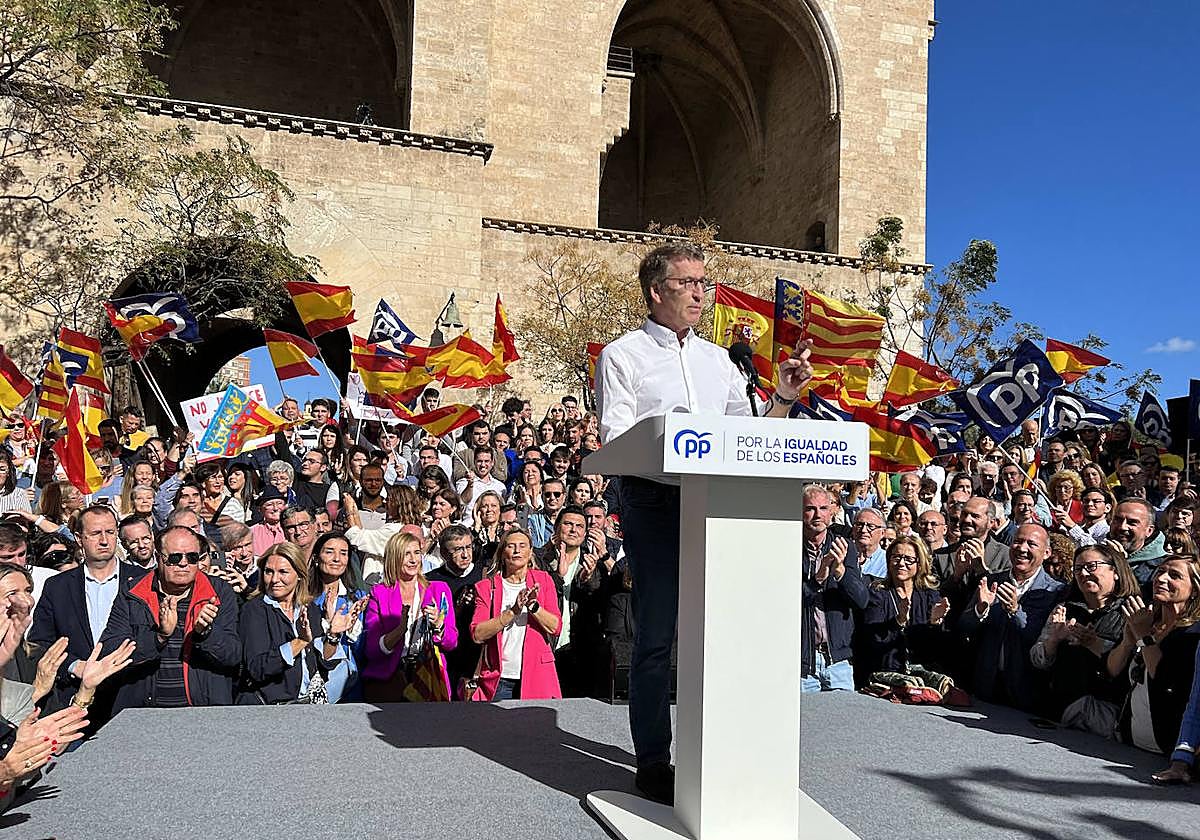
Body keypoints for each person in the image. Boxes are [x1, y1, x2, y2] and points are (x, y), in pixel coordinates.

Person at [593, 243, 812, 803]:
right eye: (687, 282)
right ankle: (653, 762)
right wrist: (675, 438)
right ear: (655, 291)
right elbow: (618, 439)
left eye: (704, 282)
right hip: (656, 502)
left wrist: (784, 396)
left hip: (719, 502)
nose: (700, 292)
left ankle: (719, 754)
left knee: (723, 632)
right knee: (657, 636)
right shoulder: (623, 356)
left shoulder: (720, 361)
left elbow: (752, 436)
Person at [98, 525, 241, 711]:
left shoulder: (219, 592)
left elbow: (234, 656)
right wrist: (159, 637)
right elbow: (110, 652)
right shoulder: (133, 592)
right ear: (158, 558)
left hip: (204, 710)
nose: (184, 563)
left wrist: (206, 633)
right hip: (143, 712)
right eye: (175, 558)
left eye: (192, 557)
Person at [29, 505, 144, 728]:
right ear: (78, 538)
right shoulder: (58, 587)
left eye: (110, 532)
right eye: (95, 533)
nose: (104, 541)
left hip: (131, 696)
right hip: (74, 700)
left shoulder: (143, 581)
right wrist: (75, 666)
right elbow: (39, 644)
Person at [1030, 542, 1136, 733]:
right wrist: (1052, 641)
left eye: (1092, 566)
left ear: (1116, 571)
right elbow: (1038, 661)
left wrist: (1096, 644)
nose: (1084, 573)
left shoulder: (1130, 613)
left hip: (1107, 719)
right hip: (1059, 715)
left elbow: (1131, 669)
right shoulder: (1064, 609)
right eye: (1078, 569)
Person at [958, 523, 1065, 710]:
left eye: (1031, 544)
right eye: (1017, 542)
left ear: (1046, 553)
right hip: (985, 689)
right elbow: (963, 628)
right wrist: (980, 610)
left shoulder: (1055, 591)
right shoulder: (992, 582)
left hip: (1026, 696)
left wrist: (1015, 611)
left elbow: (1041, 639)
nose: (1022, 549)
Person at [238, 542, 357, 704]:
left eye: (283, 572)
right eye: (268, 572)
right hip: (271, 708)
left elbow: (322, 663)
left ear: (299, 574)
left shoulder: (310, 609)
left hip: (307, 705)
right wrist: (298, 643)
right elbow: (257, 668)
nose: (274, 579)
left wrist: (333, 635)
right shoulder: (254, 610)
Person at [1107, 554, 1200, 755]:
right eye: (1160, 572)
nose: (1162, 579)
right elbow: (1113, 671)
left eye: (1174, 575)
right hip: (1126, 740)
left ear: (1194, 590)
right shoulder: (1147, 621)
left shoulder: (1193, 634)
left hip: (1163, 746)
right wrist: (1127, 642)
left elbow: (1168, 682)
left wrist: (1144, 637)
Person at [361, 531, 457, 702]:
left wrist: (439, 625)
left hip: (429, 678)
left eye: (417, 553)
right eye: (407, 554)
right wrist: (398, 631)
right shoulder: (380, 593)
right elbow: (371, 650)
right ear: (394, 558)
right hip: (391, 680)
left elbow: (451, 642)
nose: (414, 560)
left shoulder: (439, 589)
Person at [469, 528, 562, 701]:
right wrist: (512, 612)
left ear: (530, 552)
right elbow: (477, 634)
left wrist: (533, 607)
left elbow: (555, 627)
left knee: (535, 727)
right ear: (503, 553)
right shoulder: (486, 587)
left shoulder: (543, 580)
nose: (517, 550)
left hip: (538, 674)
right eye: (511, 546)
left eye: (522, 546)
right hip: (500, 678)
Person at [855, 537, 951, 688]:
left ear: (919, 564)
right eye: (896, 557)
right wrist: (898, 621)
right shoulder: (877, 593)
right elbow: (872, 639)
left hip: (921, 678)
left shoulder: (930, 595)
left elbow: (936, 649)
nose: (901, 563)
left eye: (908, 559)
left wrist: (933, 623)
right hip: (885, 678)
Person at [307, 532, 369, 703]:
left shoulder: (356, 598)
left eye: (343, 553)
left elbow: (361, 650)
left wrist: (351, 627)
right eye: (329, 552)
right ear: (316, 557)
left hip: (349, 684)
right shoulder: (305, 598)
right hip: (313, 683)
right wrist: (327, 623)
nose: (337, 559)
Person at [426, 525, 484, 697]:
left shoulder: (485, 575)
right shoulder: (431, 580)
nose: (465, 554)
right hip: (446, 659)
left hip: (477, 658)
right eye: (458, 549)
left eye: (468, 547)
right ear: (443, 553)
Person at [1110, 498, 1166, 583]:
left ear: (1149, 531)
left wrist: (1121, 564)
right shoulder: (1095, 555)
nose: (1122, 527)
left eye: (1132, 522)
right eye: (1118, 520)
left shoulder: (1162, 567)